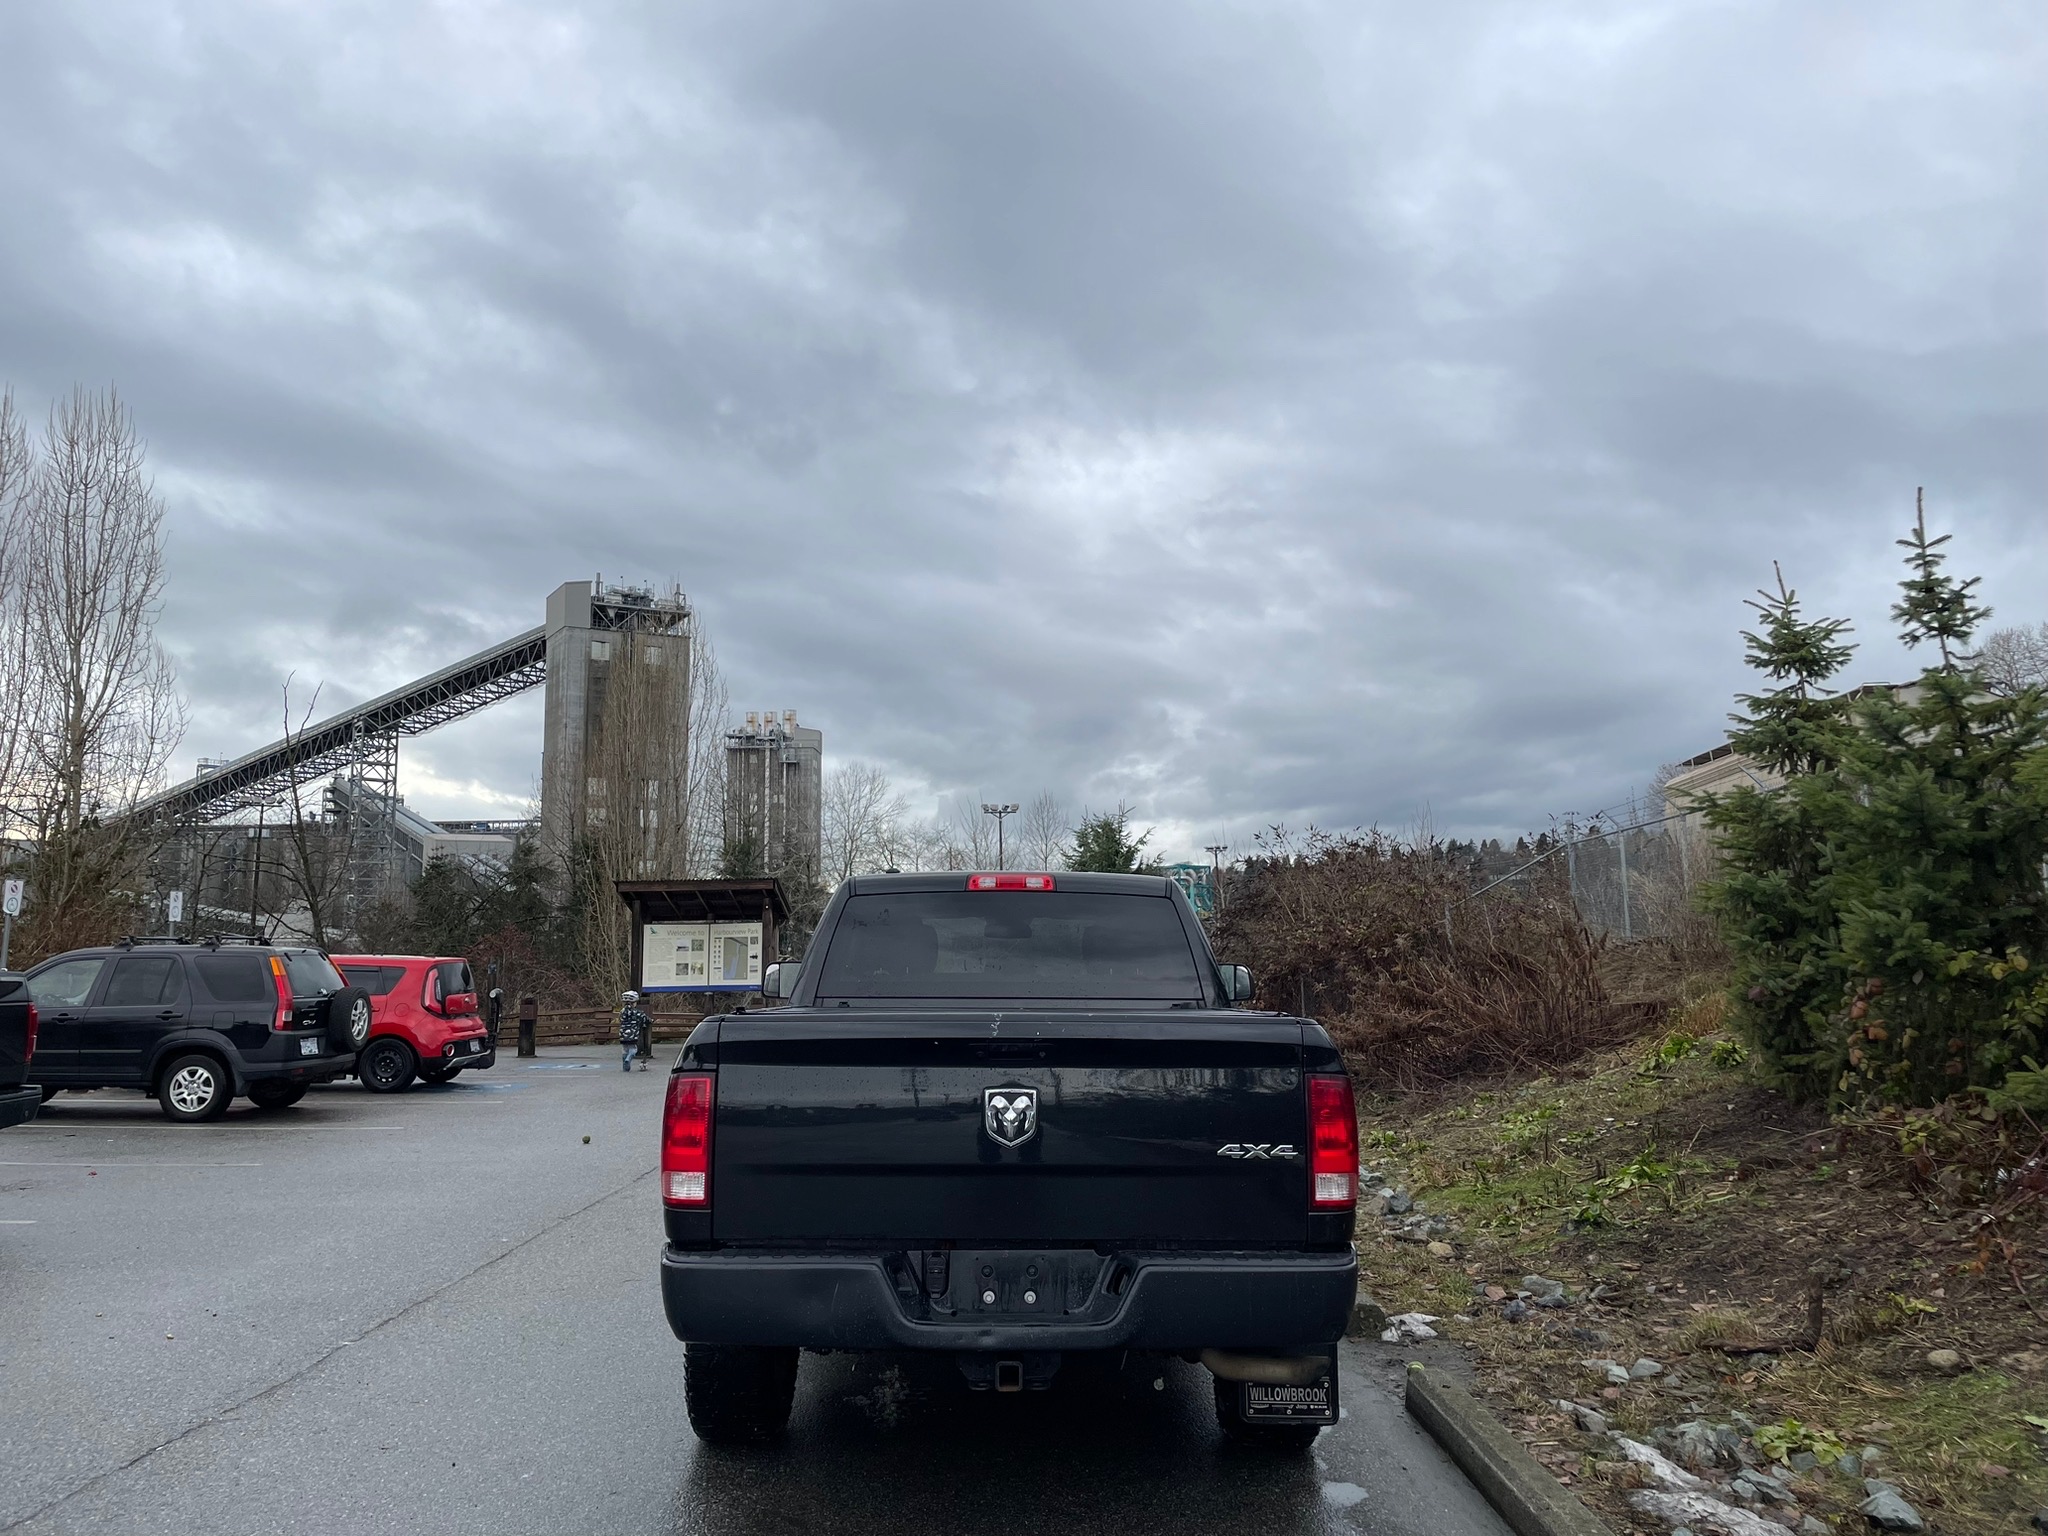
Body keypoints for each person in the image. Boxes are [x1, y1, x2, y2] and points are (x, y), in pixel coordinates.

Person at [618, 991, 651, 1072]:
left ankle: (625, 1066)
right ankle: (628, 1059)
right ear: (634, 1003)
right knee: (633, 1049)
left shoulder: (622, 1011)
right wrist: (650, 1020)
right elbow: (644, 1019)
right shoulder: (637, 1012)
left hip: (623, 1034)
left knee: (625, 1049)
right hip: (632, 1034)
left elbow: (620, 1019)